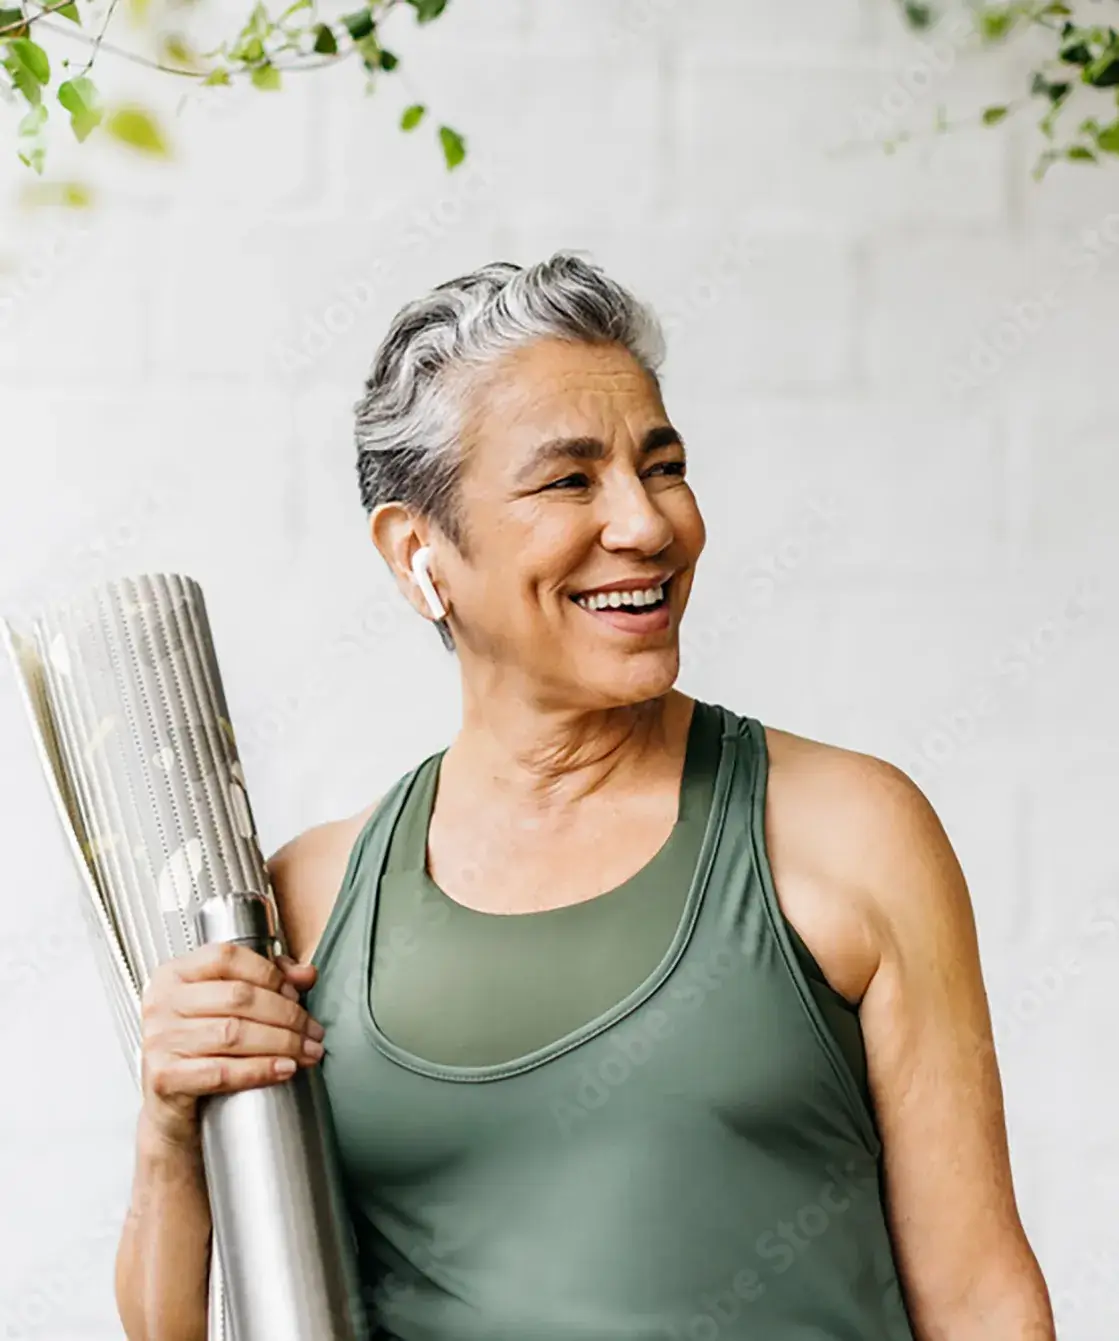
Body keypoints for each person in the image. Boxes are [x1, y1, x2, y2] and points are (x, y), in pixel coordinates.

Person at [115, 252, 1055, 1341]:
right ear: (419, 553)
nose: (649, 525)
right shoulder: (315, 897)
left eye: (662, 467)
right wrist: (167, 1123)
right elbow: (176, 1326)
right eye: (571, 480)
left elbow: (983, 1301)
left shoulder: (847, 832)